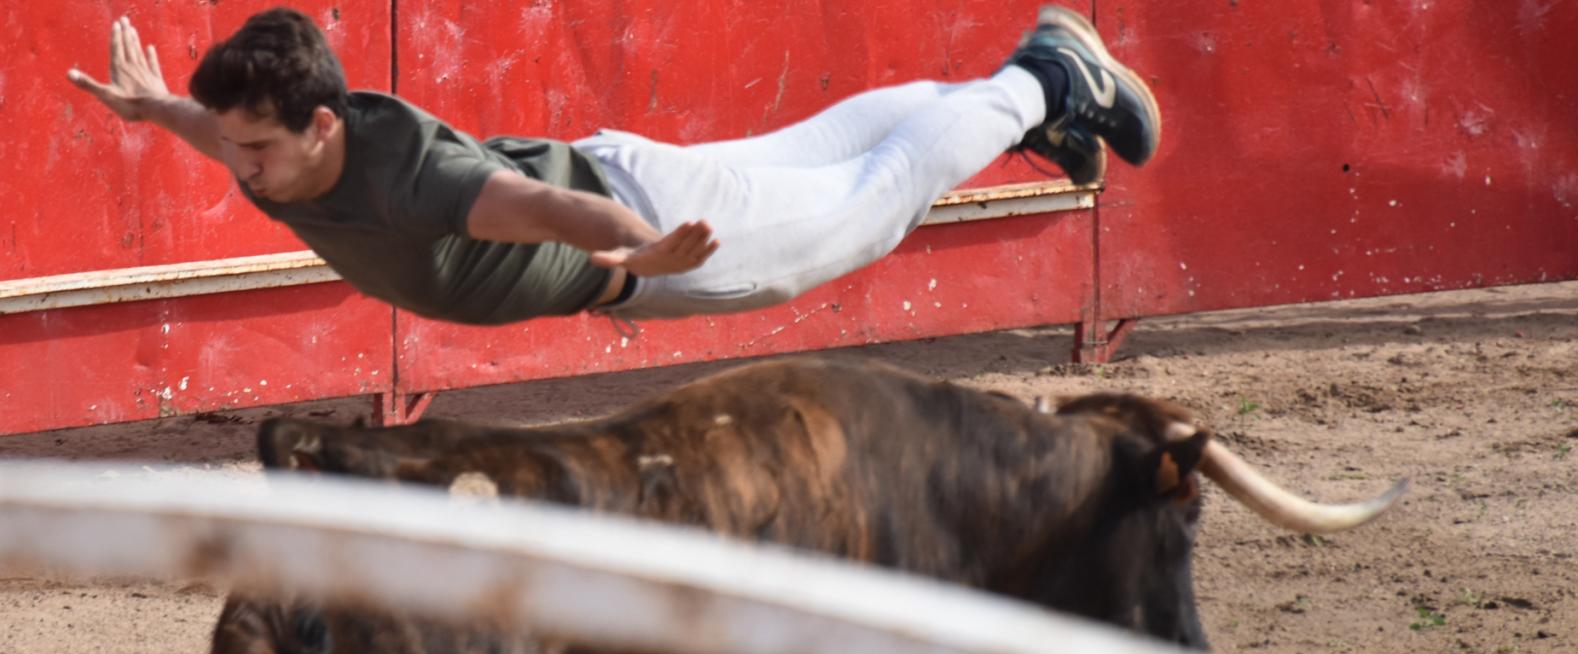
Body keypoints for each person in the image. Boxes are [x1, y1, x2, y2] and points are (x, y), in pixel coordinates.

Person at [68, 5, 1158, 325]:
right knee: (824, 153)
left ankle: (1045, 83)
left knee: (869, 209)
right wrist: (156, 108)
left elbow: (537, 209)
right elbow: (219, 129)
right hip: (633, 185)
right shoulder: (282, 146)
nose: (243, 172)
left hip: (650, 237)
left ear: (319, 122)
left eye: (258, 148)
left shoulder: (406, 179)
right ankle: (994, 111)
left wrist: (643, 250)